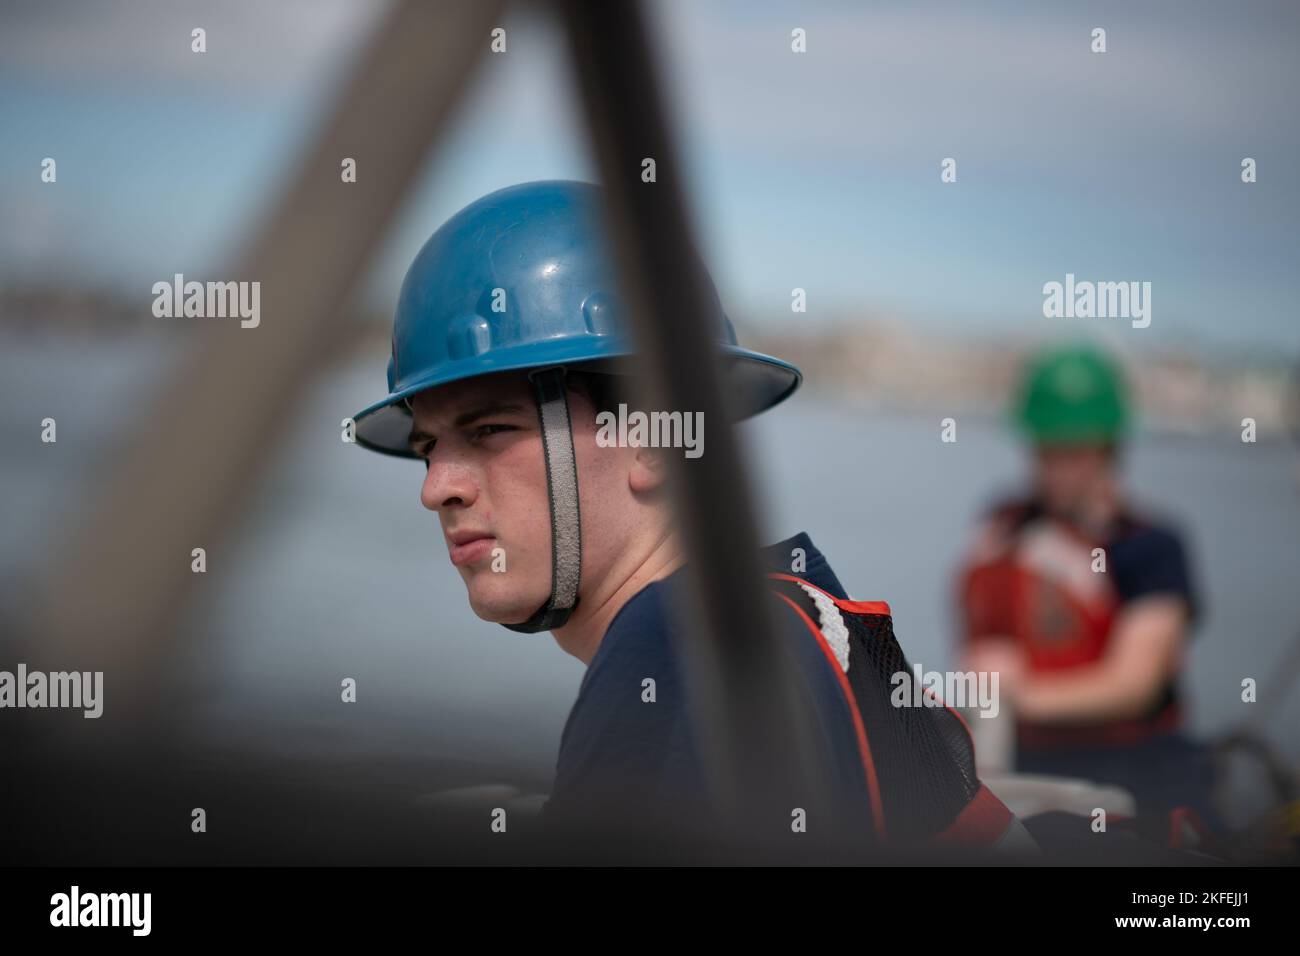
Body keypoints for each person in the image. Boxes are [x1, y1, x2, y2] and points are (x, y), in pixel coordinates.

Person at [353, 180, 1026, 851]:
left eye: (491, 430)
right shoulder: (798, 613)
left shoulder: (672, 648)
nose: (437, 487)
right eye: (429, 448)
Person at [957, 343, 1221, 835]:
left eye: (1073, 450)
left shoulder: (1150, 547)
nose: (1055, 465)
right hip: (1016, 754)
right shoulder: (1002, 526)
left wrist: (1022, 694)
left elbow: (1133, 684)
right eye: (1046, 448)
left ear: (1109, 448)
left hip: (1133, 764)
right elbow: (980, 633)